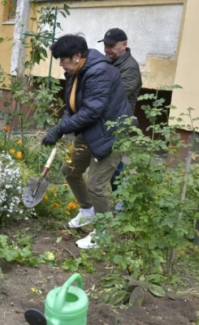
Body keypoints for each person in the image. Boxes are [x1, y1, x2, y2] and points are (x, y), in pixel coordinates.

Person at [42, 34, 132, 249]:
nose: (61, 64)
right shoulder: (76, 71)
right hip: (90, 130)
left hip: (110, 133)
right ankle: (87, 211)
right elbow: (72, 107)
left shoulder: (98, 71)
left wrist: (60, 128)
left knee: (96, 185)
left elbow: (92, 110)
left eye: (63, 59)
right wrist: (62, 126)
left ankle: (103, 233)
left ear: (77, 56)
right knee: (70, 170)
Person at [98, 28, 142, 197]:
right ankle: (121, 198)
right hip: (106, 120)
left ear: (124, 44)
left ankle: (123, 200)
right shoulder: (110, 62)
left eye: (111, 45)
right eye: (105, 45)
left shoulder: (130, 67)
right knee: (111, 163)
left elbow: (116, 93)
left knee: (114, 163)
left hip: (119, 123)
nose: (107, 49)